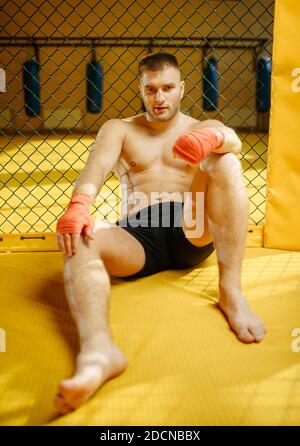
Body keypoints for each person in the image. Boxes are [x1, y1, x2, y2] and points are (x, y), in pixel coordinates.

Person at [55, 52, 266, 414]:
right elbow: (97, 167)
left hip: (192, 226)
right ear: (140, 89)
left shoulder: (201, 125)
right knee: (84, 235)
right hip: (138, 236)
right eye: (151, 89)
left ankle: (231, 292)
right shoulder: (119, 128)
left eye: (168, 88)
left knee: (225, 159)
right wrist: (79, 205)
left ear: (182, 88)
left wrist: (213, 138)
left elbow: (233, 141)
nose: (160, 97)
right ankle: (98, 350)